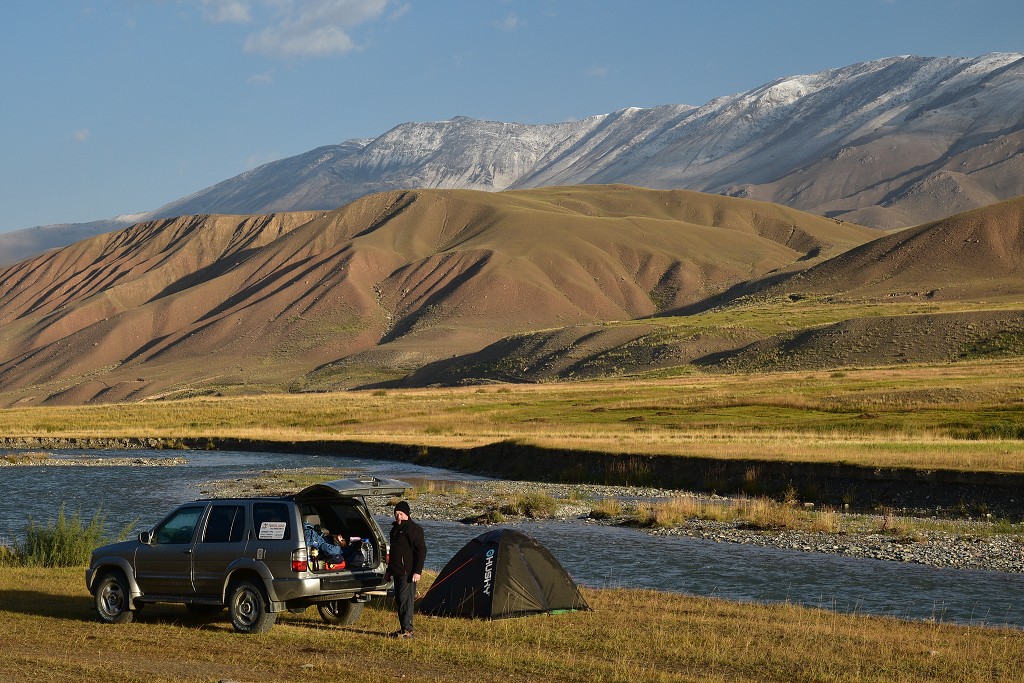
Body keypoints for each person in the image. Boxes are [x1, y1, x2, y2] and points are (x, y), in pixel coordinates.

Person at [386, 500, 426, 638]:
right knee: (399, 600)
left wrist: (417, 571)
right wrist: (388, 572)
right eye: (396, 514)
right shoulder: (394, 530)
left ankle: (408, 631)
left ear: (407, 514)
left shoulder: (414, 529)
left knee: (406, 600)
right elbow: (393, 553)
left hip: (408, 572)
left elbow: (421, 551)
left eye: (401, 514)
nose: (398, 517)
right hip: (396, 571)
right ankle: (404, 629)